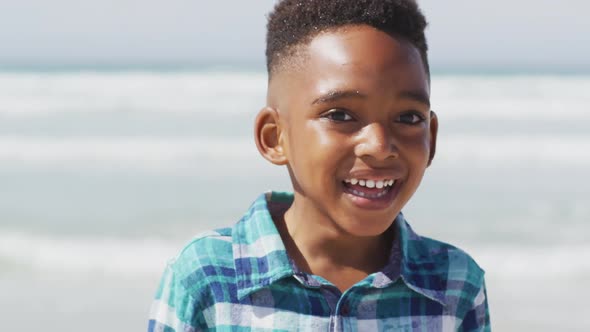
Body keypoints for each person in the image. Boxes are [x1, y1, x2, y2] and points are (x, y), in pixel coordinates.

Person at [148, 0, 490, 330]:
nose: (380, 146)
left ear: (431, 137)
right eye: (340, 115)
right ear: (274, 137)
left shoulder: (455, 284)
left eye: (408, 117)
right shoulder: (206, 276)